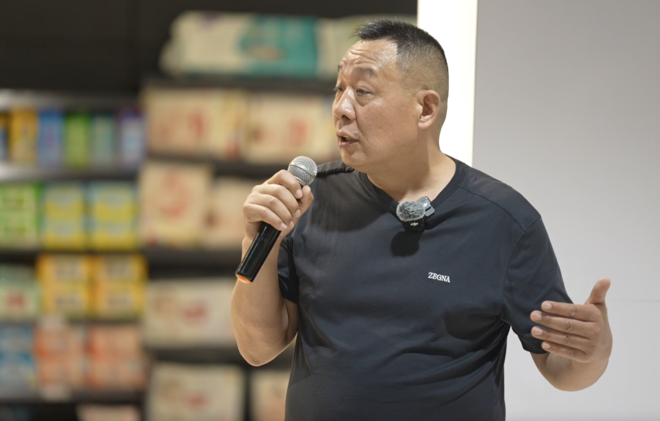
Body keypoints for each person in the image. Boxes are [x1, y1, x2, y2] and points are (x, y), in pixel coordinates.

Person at [231, 19, 612, 421]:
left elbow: (559, 369)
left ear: (425, 109)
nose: (341, 109)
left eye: (363, 92)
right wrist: (258, 243)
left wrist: (595, 352)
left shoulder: (503, 221)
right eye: (339, 89)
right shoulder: (309, 199)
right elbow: (258, 348)